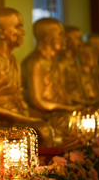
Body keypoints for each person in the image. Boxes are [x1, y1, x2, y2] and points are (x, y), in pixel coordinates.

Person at [0, 7, 54, 147]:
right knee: (42, 130)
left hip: (17, 115)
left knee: (51, 124)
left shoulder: (13, 60)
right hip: (0, 120)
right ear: (1, 32)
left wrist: (28, 116)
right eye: (18, 27)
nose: (23, 32)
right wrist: (25, 119)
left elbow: (18, 96)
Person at [21, 18, 78, 146]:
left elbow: (62, 92)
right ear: (47, 38)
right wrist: (69, 108)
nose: (65, 39)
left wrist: (73, 107)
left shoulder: (55, 62)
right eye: (60, 35)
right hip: (41, 114)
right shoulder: (35, 62)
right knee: (66, 123)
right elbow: (37, 101)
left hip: (57, 112)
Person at [58, 26, 97, 106]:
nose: (82, 43)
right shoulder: (61, 64)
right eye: (78, 39)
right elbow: (61, 92)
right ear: (68, 41)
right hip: (72, 107)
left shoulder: (75, 62)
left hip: (82, 104)